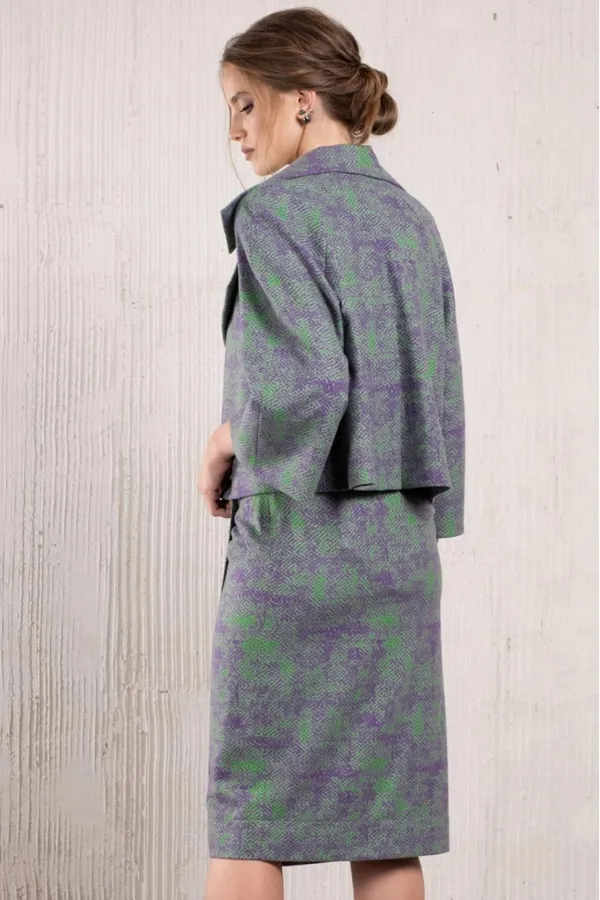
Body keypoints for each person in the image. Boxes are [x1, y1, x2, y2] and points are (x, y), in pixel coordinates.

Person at [197, 8, 466, 900]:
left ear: (302, 100)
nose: (235, 130)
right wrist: (434, 520)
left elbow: (306, 386)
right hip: (399, 562)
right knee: (387, 830)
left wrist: (230, 438)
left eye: (246, 103)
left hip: (296, 558)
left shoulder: (276, 215)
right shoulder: (414, 221)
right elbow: (444, 395)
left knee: (252, 820)